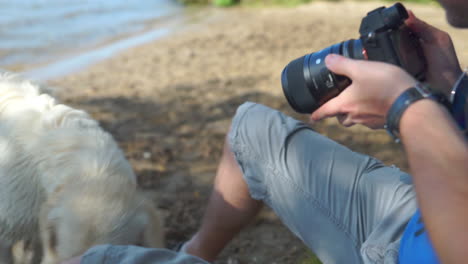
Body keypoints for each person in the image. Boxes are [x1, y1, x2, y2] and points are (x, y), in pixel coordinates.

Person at [64, 0, 467, 263]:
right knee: (250, 128)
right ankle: (194, 254)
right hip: (421, 213)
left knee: (97, 259)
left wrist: (407, 109)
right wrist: (452, 87)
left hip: (417, 248)